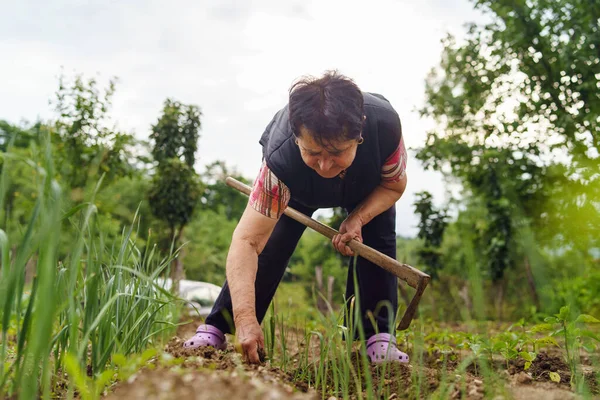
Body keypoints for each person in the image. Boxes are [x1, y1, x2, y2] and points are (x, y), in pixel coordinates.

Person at [184, 71, 409, 364]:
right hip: (297, 188)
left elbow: (394, 185)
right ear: (297, 137)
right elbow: (247, 241)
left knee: (376, 239)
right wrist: (245, 319)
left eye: (337, 152)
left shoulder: (385, 126)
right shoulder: (281, 161)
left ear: (359, 134)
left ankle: (379, 336)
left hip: (366, 187)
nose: (325, 165)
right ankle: (217, 326)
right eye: (313, 151)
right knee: (270, 245)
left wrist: (358, 219)